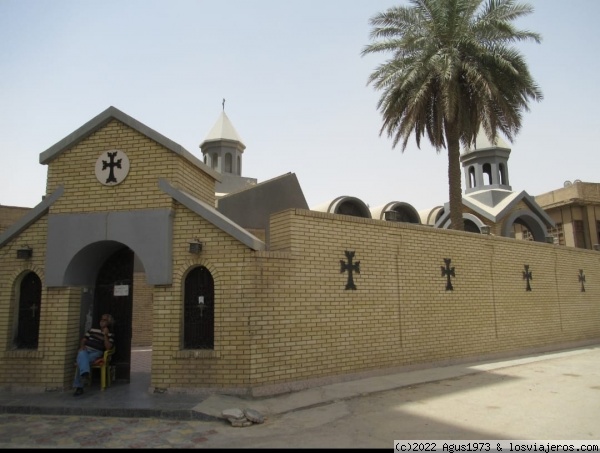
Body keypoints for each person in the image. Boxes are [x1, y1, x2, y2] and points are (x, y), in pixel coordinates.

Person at [73, 313, 115, 396]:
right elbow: (84, 340)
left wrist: (105, 335)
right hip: (86, 350)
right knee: (81, 354)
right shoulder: (92, 330)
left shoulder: (110, 334)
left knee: (80, 361)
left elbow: (108, 348)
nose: (102, 322)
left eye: (104, 320)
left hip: (96, 352)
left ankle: (79, 387)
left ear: (109, 322)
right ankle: (85, 372)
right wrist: (82, 346)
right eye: (101, 319)